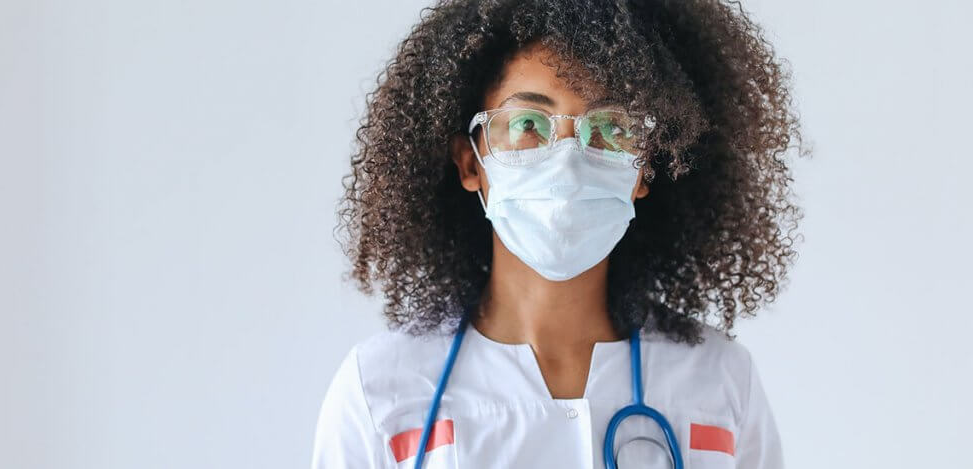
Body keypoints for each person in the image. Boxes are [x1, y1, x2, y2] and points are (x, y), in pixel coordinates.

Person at [312, 0, 806, 467]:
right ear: (471, 162)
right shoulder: (381, 389)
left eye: (610, 128)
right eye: (528, 122)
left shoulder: (717, 382)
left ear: (643, 171)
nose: (568, 161)